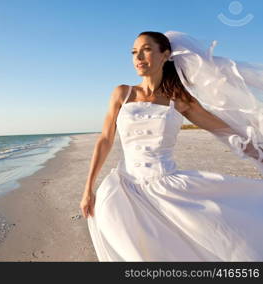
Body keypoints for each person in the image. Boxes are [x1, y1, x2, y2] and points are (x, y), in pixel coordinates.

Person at [80, 31, 263, 261]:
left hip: (167, 188)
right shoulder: (122, 93)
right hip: (124, 189)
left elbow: (219, 127)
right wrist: (88, 189)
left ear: (165, 54)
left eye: (146, 49)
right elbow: (105, 139)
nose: (138, 57)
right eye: (134, 52)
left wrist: (256, 150)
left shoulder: (179, 99)